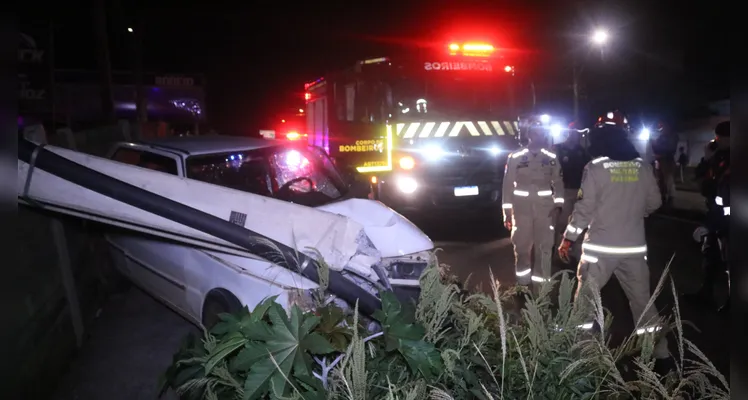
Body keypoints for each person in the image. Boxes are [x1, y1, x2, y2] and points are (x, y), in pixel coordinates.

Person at [557, 110, 669, 360]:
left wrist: (568, 238)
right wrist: (634, 212)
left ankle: (583, 353)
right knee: (642, 302)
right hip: (633, 249)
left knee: (585, 304)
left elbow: (584, 210)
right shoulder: (643, 167)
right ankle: (660, 352)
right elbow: (655, 203)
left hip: (600, 250)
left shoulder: (596, 167)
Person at [502, 119, 565, 286]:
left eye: (542, 132)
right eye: (536, 132)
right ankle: (522, 285)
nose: (539, 136)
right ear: (529, 135)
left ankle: (542, 287)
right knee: (522, 248)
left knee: (544, 248)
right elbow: (507, 185)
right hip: (521, 210)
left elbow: (558, 182)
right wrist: (507, 212)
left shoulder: (551, 157)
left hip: (545, 210)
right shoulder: (515, 157)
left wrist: (558, 205)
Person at [685, 120, 730, 311]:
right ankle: (707, 292)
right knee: (710, 254)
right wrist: (707, 157)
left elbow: (726, 195)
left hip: (728, 217)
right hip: (716, 212)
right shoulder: (718, 155)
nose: (718, 141)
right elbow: (700, 175)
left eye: (721, 138)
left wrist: (711, 224)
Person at [552, 122, 591, 260]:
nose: (575, 135)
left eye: (577, 133)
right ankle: (558, 250)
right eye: (572, 132)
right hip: (564, 189)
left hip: (579, 190)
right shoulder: (559, 149)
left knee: (578, 222)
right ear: (568, 133)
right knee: (562, 222)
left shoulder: (583, 151)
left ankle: (574, 252)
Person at [651, 121, 679, 206]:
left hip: (668, 161)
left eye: (664, 127)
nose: (662, 129)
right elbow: (656, 147)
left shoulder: (672, 137)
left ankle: (670, 198)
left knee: (668, 180)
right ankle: (663, 198)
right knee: (661, 180)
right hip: (661, 161)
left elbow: (670, 149)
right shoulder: (662, 137)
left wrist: (658, 147)